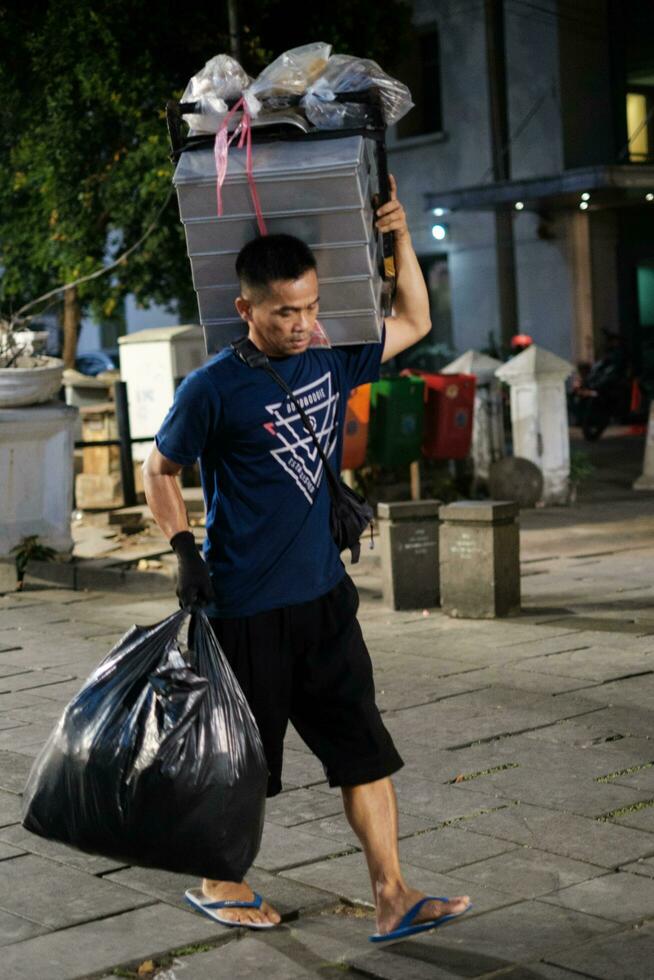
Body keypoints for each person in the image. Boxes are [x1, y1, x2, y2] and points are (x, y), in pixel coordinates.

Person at [143, 175, 471, 942]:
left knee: (365, 749)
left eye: (311, 306)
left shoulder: (330, 360)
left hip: (324, 599)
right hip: (246, 606)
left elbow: (415, 318)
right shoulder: (212, 389)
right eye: (285, 311)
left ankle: (394, 895)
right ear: (247, 308)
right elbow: (159, 469)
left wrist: (400, 236)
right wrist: (183, 548)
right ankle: (220, 882)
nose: (302, 323)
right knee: (245, 765)